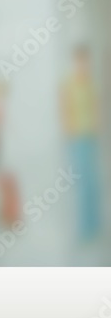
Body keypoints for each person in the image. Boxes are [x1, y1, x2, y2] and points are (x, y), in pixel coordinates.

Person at [60, 45, 103, 242]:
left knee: (93, 182)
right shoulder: (69, 84)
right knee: (83, 183)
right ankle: (84, 228)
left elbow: (96, 107)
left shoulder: (90, 83)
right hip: (77, 138)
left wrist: (96, 128)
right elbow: (65, 109)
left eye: (85, 61)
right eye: (79, 61)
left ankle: (95, 224)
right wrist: (69, 133)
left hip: (90, 137)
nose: (83, 65)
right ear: (74, 62)